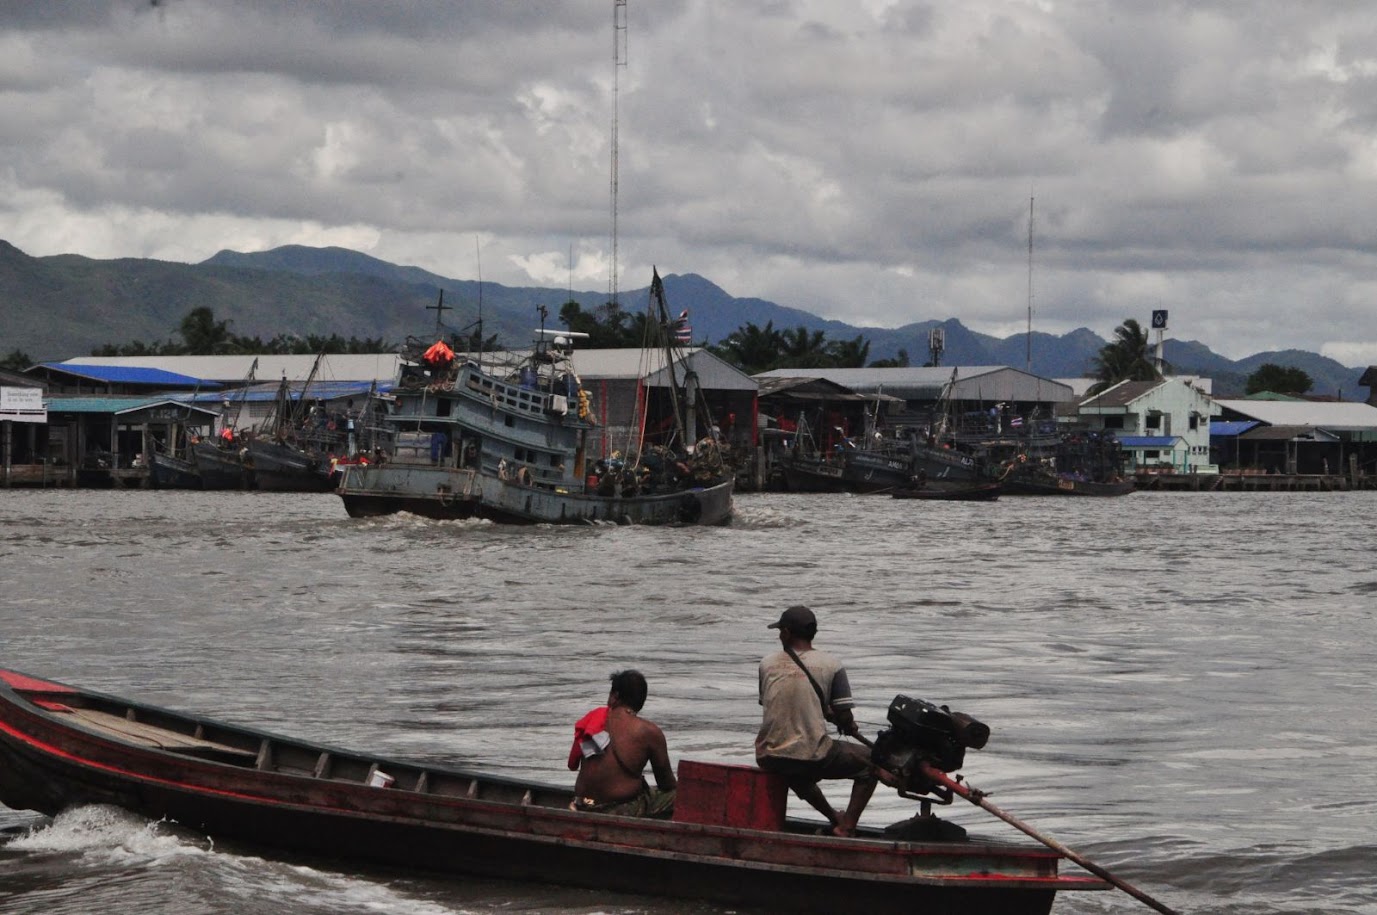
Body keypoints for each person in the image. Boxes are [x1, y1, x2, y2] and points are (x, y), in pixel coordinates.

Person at [755, 605, 893, 837]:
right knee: (872, 765)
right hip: (809, 754)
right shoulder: (832, 664)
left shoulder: (766, 664)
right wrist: (846, 723)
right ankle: (847, 826)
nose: (779, 636)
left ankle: (834, 818)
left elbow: (780, 703)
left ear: (787, 633)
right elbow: (844, 716)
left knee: (794, 768)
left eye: (780, 631)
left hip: (768, 755)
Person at [569, 670, 677, 819]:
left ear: (615, 696)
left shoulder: (592, 720)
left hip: (581, 804)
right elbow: (666, 784)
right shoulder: (650, 732)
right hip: (618, 809)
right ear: (641, 701)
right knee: (680, 797)